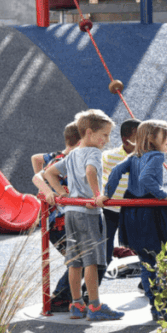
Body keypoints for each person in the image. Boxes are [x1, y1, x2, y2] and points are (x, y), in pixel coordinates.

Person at [36, 109, 125, 321]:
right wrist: (97, 195)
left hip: (71, 212)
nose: (107, 139)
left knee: (74, 260)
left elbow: (49, 172)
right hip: (88, 212)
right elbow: (90, 172)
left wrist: (60, 193)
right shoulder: (93, 153)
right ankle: (94, 306)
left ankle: (76, 304)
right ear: (88, 133)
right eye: (104, 134)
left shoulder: (73, 153)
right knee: (91, 261)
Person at [100, 120, 167, 321]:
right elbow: (147, 179)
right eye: (165, 136)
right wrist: (164, 195)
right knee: (163, 259)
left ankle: (156, 306)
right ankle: (165, 306)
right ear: (152, 140)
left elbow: (115, 172)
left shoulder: (133, 157)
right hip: (152, 212)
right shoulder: (156, 156)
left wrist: (107, 194)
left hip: (132, 211)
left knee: (147, 261)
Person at [31, 121, 98, 312]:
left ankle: (68, 296)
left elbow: (36, 159)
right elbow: (37, 177)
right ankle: (60, 297)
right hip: (58, 222)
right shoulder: (68, 161)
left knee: (80, 258)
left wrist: (48, 189)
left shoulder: (55, 156)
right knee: (81, 259)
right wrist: (50, 191)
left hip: (57, 220)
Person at [101, 119, 140, 262]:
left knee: (146, 245)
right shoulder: (108, 156)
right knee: (105, 247)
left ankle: (150, 281)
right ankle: (93, 281)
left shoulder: (146, 157)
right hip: (110, 209)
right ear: (126, 140)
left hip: (133, 210)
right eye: (139, 137)